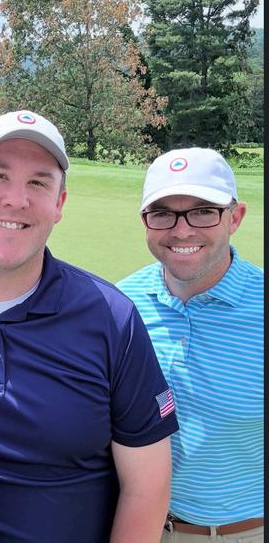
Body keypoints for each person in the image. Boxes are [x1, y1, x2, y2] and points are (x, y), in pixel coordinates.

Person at [0, 110, 179, 543]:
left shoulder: (111, 317)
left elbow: (146, 488)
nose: (17, 199)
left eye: (38, 183)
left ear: (60, 204)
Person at [117, 148, 264, 542]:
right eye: (162, 213)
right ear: (145, 221)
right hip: (139, 529)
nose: (181, 231)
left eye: (203, 211)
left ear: (235, 217)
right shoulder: (119, 305)